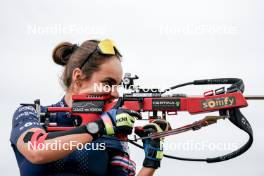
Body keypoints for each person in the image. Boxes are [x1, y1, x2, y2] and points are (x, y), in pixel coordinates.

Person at [10, 39, 170, 176]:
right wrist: (99, 127)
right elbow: (36, 151)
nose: (115, 93)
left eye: (117, 85)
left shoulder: (111, 129)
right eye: (108, 84)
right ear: (78, 78)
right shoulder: (31, 114)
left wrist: (151, 162)